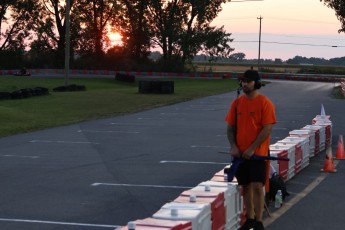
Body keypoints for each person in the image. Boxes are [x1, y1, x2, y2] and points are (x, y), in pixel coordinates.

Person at [225, 69, 276, 230]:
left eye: (248, 81)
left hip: (257, 154)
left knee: (256, 185)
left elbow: (266, 129)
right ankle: (251, 218)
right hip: (240, 154)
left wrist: (252, 149)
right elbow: (230, 128)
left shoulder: (265, 103)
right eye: (243, 81)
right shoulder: (237, 103)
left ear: (256, 83)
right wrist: (233, 146)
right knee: (245, 186)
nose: (244, 84)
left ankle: (259, 220)